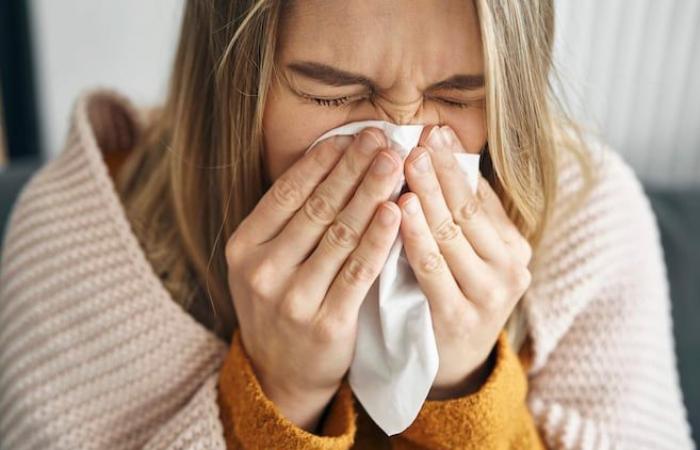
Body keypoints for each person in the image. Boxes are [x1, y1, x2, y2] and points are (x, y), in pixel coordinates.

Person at [0, 0, 694, 448]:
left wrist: (465, 391)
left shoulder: (588, 222)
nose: (398, 144)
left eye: (459, 95)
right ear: (231, 78)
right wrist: (279, 396)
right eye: (334, 91)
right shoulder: (83, 230)